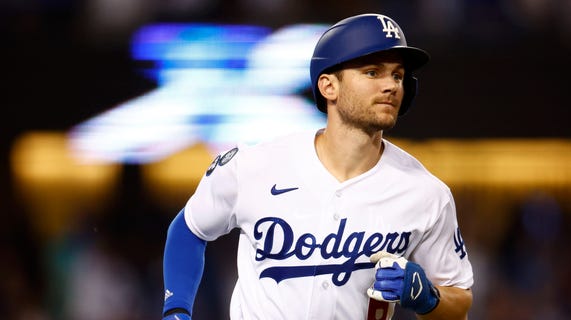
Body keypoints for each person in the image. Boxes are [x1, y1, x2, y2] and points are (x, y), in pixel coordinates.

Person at [161, 13, 473, 320]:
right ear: (328, 87)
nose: (391, 85)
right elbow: (190, 228)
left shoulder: (425, 193)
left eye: (397, 75)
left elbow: (460, 303)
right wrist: (176, 310)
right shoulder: (255, 166)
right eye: (372, 72)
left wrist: (428, 298)